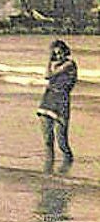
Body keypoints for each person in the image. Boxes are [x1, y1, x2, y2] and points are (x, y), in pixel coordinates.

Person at [36, 40, 78, 174]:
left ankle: (67, 167)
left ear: (65, 51)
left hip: (61, 103)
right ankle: (49, 169)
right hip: (48, 101)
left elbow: (49, 76)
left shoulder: (69, 64)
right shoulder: (56, 65)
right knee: (47, 140)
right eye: (56, 54)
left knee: (62, 142)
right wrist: (50, 61)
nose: (58, 56)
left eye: (60, 53)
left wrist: (49, 60)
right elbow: (46, 76)